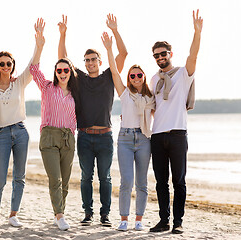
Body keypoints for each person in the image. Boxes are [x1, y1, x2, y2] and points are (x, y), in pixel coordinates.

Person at [58, 14, 128, 227]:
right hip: (85, 137)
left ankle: (105, 215)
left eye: (93, 60)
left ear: (100, 61)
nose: (89, 63)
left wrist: (115, 32)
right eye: (86, 60)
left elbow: (123, 54)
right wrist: (63, 34)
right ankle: (88, 214)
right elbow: (62, 59)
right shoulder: (78, 78)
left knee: (105, 178)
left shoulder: (109, 76)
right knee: (86, 177)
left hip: (105, 136)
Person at [0, 19, 44, 228]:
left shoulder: (20, 83)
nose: (6, 66)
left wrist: (39, 42)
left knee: (20, 176)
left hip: (21, 132)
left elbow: (33, 64)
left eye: (9, 63)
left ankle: (13, 214)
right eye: (2, 63)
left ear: (13, 66)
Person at [149, 10, 203, 234]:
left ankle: (178, 222)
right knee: (161, 182)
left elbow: (193, 56)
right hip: (157, 135)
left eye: (163, 53)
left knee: (179, 181)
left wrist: (197, 32)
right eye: (156, 55)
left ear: (170, 53)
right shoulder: (153, 79)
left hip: (178, 134)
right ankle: (164, 220)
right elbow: (151, 107)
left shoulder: (183, 74)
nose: (160, 57)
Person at [101, 32, 154, 231]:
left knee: (142, 182)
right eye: (132, 75)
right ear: (129, 79)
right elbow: (114, 72)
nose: (136, 78)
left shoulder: (151, 97)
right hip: (124, 139)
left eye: (139, 75)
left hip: (144, 139)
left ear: (144, 77)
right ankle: (124, 219)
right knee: (126, 181)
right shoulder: (124, 93)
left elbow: (161, 114)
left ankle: (138, 220)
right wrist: (109, 48)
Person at [29, 21, 79, 231]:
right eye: (59, 70)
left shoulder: (77, 93)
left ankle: (60, 213)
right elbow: (34, 69)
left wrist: (63, 35)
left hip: (69, 138)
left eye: (65, 69)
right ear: (55, 72)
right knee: (55, 178)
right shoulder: (47, 88)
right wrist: (39, 45)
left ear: (70, 71)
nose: (62, 72)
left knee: (65, 181)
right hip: (49, 137)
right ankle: (59, 215)